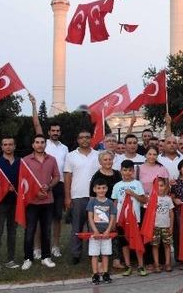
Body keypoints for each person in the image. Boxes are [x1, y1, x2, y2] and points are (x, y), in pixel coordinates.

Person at [31, 94, 68, 259]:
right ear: (48, 132)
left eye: (58, 131)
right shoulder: (43, 144)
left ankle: (55, 246)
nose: (55, 133)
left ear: (60, 132)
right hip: (43, 186)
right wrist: (34, 104)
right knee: (40, 219)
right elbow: (36, 123)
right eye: (53, 131)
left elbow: (66, 170)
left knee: (57, 219)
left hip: (58, 185)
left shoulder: (65, 148)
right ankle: (37, 248)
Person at [21, 133, 60, 270]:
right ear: (33, 145)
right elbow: (23, 181)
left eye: (42, 142)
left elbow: (56, 176)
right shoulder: (25, 160)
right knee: (30, 231)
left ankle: (46, 257)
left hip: (48, 200)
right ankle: (27, 258)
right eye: (37, 142)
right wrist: (34, 191)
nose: (40, 144)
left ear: (45, 144)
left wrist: (49, 186)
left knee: (46, 231)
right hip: (32, 201)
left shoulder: (52, 160)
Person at [63, 130, 99, 265]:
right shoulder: (71, 156)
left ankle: (93, 253)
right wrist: (67, 197)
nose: (85, 140)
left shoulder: (98, 155)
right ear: (77, 140)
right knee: (76, 227)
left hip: (95, 197)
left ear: (91, 139)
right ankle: (76, 254)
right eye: (82, 137)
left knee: (94, 227)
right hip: (77, 196)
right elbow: (67, 177)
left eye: (87, 137)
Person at [111, 159, 147, 276]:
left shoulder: (137, 184)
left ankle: (141, 266)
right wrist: (114, 219)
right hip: (121, 220)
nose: (127, 173)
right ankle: (128, 266)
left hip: (134, 219)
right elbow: (115, 202)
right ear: (121, 171)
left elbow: (144, 199)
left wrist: (133, 194)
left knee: (137, 241)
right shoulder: (117, 185)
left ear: (133, 171)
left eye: (129, 170)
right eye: (124, 170)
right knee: (124, 243)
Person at [88, 151, 123, 269]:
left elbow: (120, 192)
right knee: (99, 234)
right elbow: (92, 197)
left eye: (110, 159)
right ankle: (98, 262)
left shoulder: (118, 174)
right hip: (99, 210)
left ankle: (116, 260)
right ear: (100, 162)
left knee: (114, 233)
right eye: (105, 160)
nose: (108, 162)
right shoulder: (96, 176)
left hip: (114, 207)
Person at [0, 137, 20, 272]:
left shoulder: (21, 162)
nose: (8, 147)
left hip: (15, 202)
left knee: (12, 232)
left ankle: (10, 259)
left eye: (10, 144)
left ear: (14, 146)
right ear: (2, 147)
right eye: (5, 145)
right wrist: (4, 188)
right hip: (0, 203)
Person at [87, 179, 116, 285]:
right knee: (94, 254)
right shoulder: (92, 202)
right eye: (98, 188)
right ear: (94, 189)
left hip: (106, 234)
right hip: (94, 234)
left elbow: (112, 217)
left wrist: (108, 231)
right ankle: (95, 274)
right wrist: (94, 230)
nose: (101, 190)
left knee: (105, 254)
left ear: (107, 189)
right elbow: (90, 217)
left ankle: (105, 273)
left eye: (103, 188)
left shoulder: (109, 202)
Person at [149, 177, 174, 273]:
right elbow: (149, 214)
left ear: (165, 186)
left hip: (166, 226)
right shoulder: (152, 199)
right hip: (155, 227)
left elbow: (171, 214)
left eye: (162, 185)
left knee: (167, 245)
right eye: (157, 186)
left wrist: (171, 227)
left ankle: (167, 263)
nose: (160, 188)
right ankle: (157, 264)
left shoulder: (168, 199)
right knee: (155, 246)